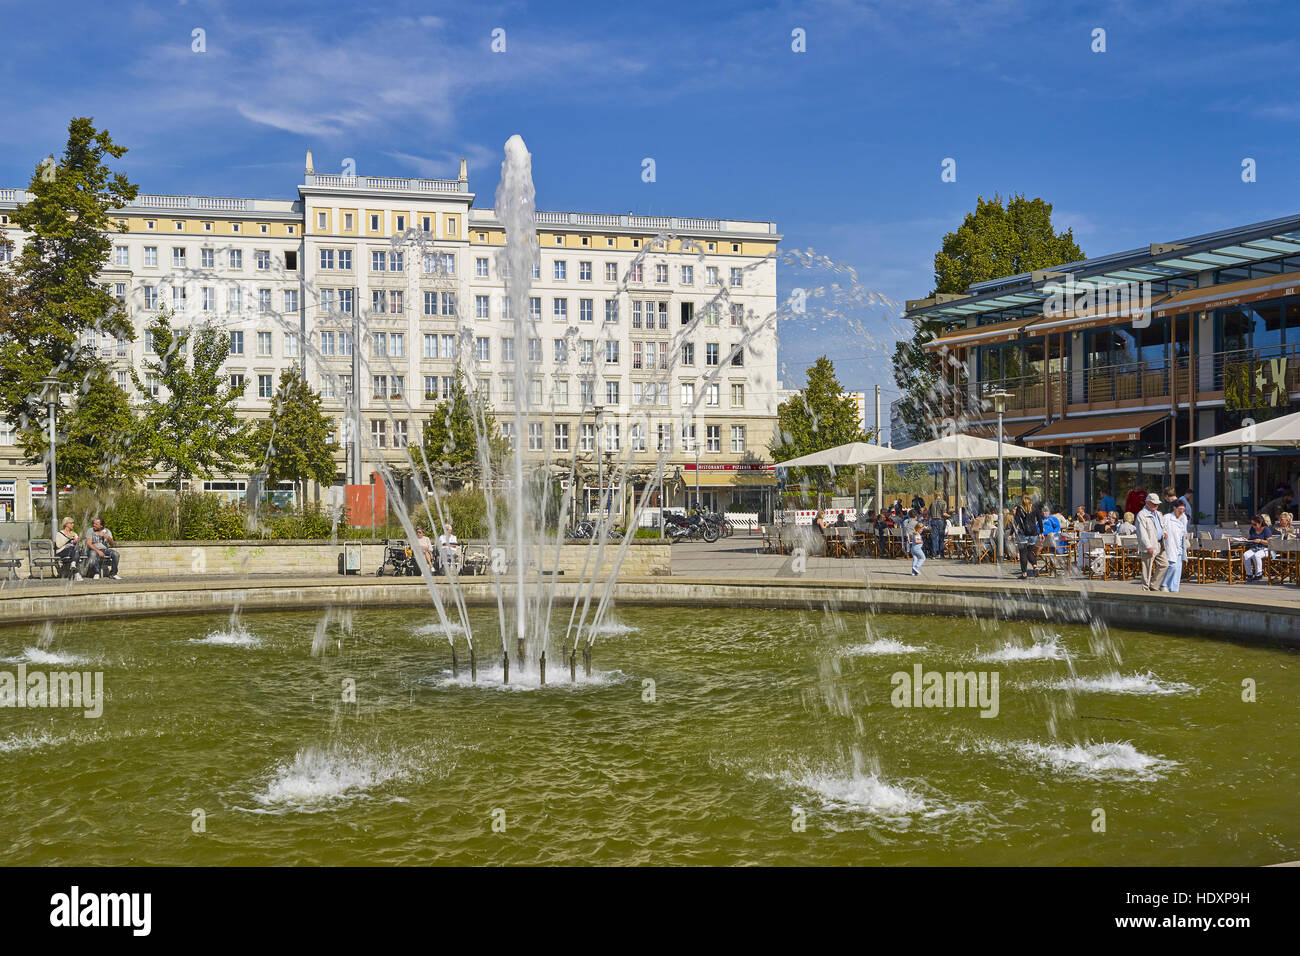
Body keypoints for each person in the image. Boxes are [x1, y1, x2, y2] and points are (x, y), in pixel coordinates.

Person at [1135, 493, 1168, 590]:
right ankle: (1145, 589)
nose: (1156, 506)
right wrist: (1148, 546)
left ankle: (1154, 585)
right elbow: (1142, 533)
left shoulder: (1158, 513)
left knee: (1165, 564)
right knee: (1147, 569)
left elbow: (1162, 525)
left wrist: (1164, 532)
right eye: (1154, 504)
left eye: (1157, 504)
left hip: (1160, 544)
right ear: (1147, 503)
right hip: (1149, 545)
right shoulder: (1142, 515)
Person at [1160, 499, 1189, 592]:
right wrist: (1163, 532)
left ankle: (1174, 590)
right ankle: (1164, 584)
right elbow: (1162, 527)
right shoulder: (1167, 517)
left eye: (1183, 510)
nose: (1181, 511)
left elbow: (1184, 530)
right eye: (1180, 509)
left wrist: (1186, 533)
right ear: (1174, 508)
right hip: (1170, 545)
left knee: (1177, 570)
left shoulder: (1184, 518)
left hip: (1180, 546)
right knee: (1172, 566)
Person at [1012, 495, 1041, 579]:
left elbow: (1016, 521)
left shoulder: (1020, 509)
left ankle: (1024, 573)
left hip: (1023, 534)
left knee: (1023, 554)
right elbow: (1039, 520)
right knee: (1029, 552)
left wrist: (1011, 533)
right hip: (1033, 533)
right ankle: (1035, 566)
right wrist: (1041, 532)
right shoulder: (1035, 508)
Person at [1241, 514, 1273, 581]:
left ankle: (1258, 574)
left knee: (1257, 555)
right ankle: (1249, 574)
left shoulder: (1266, 529)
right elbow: (1248, 538)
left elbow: (1270, 542)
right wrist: (1244, 539)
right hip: (1255, 548)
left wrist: (1260, 541)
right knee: (1245, 555)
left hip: (1266, 549)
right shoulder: (1252, 528)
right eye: (1252, 524)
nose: (1253, 526)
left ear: (1260, 523)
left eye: (1255, 524)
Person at [904, 508, 926, 575]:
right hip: (916, 547)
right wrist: (921, 541)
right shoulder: (916, 525)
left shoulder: (905, 521)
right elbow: (917, 540)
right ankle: (916, 567)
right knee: (923, 558)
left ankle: (913, 572)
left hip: (910, 542)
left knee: (915, 559)